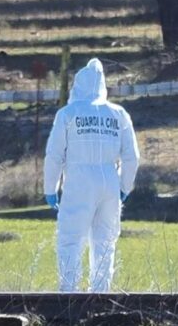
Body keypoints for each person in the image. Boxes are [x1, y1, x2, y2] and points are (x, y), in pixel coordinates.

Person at [43, 58, 140, 293]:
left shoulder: (67, 114)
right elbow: (132, 157)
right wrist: (124, 187)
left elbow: (55, 156)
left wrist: (50, 188)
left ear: (78, 85)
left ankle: (68, 295)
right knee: (105, 243)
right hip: (109, 179)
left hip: (78, 180)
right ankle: (100, 296)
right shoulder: (118, 114)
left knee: (70, 240)